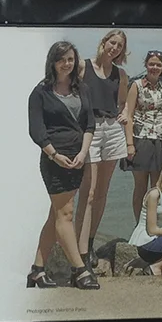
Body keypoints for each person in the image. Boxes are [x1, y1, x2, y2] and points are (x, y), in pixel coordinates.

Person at [27, 41, 98, 289]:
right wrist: (54, 155)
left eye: (70, 59)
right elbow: (36, 131)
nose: (66, 64)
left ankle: (37, 270)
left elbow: (90, 124)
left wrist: (83, 152)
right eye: (61, 60)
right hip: (55, 161)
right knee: (66, 214)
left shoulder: (82, 89)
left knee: (56, 215)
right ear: (53, 62)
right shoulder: (40, 92)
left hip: (78, 159)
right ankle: (79, 270)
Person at [74, 30, 130, 261]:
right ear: (104, 42)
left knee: (102, 193)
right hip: (90, 129)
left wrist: (125, 114)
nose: (114, 48)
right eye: (112, 43)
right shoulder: (83, 66)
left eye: (119, 46)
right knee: (88, 192)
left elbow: (123, 103)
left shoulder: (121, 74)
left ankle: (89, 243)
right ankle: (79, 248)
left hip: (112, 129)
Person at [122, 50, 162, 226]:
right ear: (146, 65)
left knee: (156, 187)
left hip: (159, 140)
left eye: (158, 65)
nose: (154, 67)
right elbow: (129, 115)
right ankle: (139, 226)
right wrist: (130, 144)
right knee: (140, 187)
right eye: (151, 64)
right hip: (140, 139)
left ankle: (153, 225)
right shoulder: (136, 85)